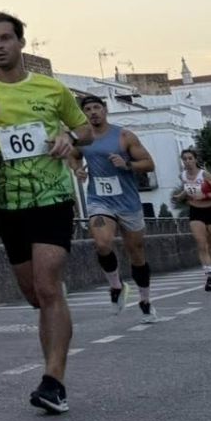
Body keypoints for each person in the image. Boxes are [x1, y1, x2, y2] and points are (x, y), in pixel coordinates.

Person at [0, 10, 86, 415]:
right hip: (6, 201)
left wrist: (68, 136)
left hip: (52, 196)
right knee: (34, 294)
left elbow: (85, 131)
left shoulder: (51, 89)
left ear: (21, 42)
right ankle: (54, 351)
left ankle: (53, 380)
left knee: (47, 285)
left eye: (6, 38)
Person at [70, 94, 157, 321]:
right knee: (101, 243)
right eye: (88, 109)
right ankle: (116, 286)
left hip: (128, 202)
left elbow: (149, 164)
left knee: (136, 253)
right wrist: (77, 169)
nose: (93, 113)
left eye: (96, 108)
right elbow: (73, 155)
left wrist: (126, 164)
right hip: (100, 200)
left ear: (105, 110)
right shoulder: (82, 138)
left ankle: (145, 300)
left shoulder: (124, 136)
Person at [178, 149, 211, 291]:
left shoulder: (204, 174)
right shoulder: (182, 176)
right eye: (185, 159)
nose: (187, 161)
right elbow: (188, 189)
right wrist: (180, 196)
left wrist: (205, 195)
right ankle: (209, 278)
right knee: (201, 243)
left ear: (195, 159)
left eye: (190, 158)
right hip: (195, 212)